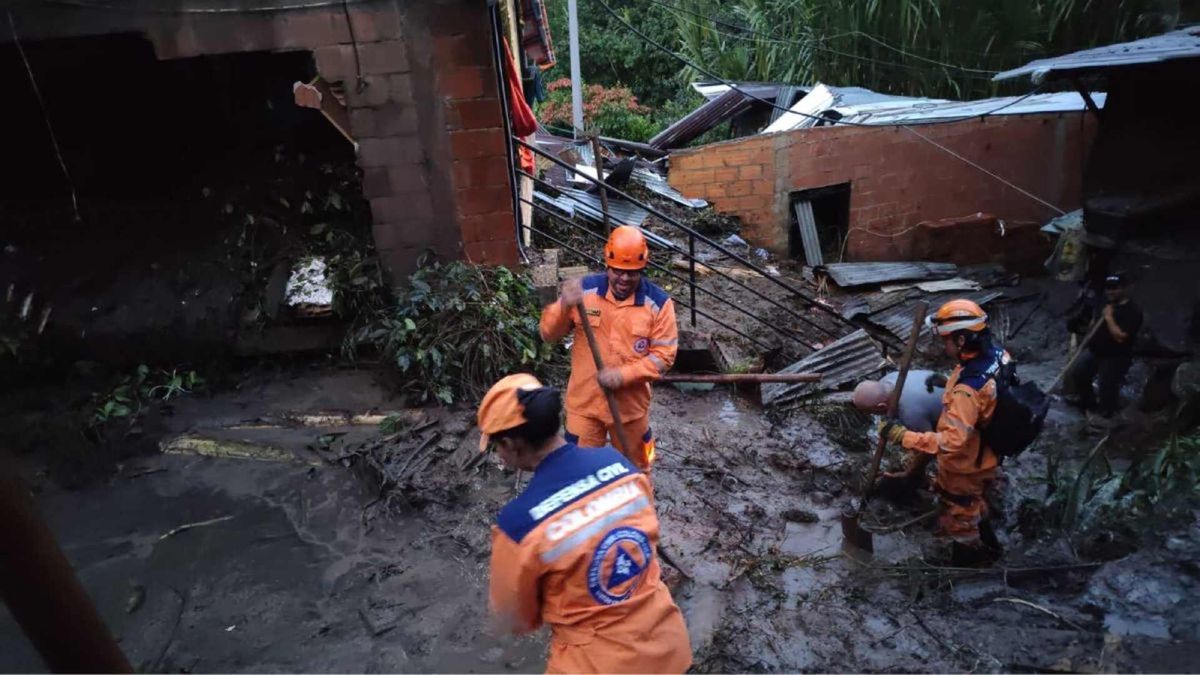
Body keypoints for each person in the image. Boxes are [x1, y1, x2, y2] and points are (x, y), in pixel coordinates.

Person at [479, 373, 692, 674]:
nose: (499, 455)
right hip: (670, 649)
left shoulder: (519, 524)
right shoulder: (621, 466)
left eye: (496, 447)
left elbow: (514, 619)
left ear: (511, 445)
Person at [875, 299, 1008, 563]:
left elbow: (950, 443)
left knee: (958, 512)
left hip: (966, 462)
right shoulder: (998, 356)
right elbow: (989, 395)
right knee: (974, 500)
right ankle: (992, 547)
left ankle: (969, 565)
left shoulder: (966, 391)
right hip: (989, 450)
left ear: (961, 341)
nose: (943, 346)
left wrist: (902, 436)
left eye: (946, 340)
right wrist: (948, 382)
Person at [540, 226, 678, 470]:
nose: (624, 279)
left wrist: (622, 376)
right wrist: (563, 307)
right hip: (585, 406)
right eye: (618, 271)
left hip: (630, 410)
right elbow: (548, 334)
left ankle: (639, 508)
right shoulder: (585, 292)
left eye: (632, 273)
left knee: (638, 468)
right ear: (608, 265)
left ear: (642, 269)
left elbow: (663, 358)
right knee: (579, 472)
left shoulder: (658, 304)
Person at [853, 370, 945, 499]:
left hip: (957, 416)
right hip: (942, 389)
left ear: (881, 406)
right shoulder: (888, 380)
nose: (871, 415)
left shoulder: (910, 412)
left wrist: (912, 470)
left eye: (870, 412)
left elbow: (931, 447)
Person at [1068, 273, 1143, 422]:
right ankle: (1088, 402)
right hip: (1095, 351)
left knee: (1107, 385)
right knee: (1079, 373)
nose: (1110, 292)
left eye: (1115, 288)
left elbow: (1120, 337)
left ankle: (1106, 412)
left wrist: (1109, 317)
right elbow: (1094, 321)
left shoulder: (1133, 311)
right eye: (1108, 288)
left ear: (1124, 289)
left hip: (1115, 356)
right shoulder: (1105, 303)